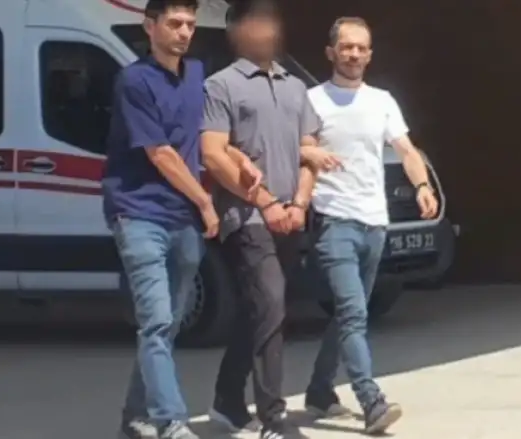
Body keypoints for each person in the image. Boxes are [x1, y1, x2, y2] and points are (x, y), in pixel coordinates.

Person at [200, 1, 341, 438]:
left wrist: (299, 203)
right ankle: (274, 417)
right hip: (247, 217)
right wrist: (264, 202)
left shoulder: (295, 87)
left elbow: (310, 152)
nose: (267, 31)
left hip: (290, 216)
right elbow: (213, 155)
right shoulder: (220, 86)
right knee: (271, 305)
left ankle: (226, 400)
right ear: (237, 31)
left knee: (260, 310)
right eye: (256, 23)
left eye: (271, 23)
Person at [302, 16, 439, 435]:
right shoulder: (312, 100)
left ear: (370, 55)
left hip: (375, 223)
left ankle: (319, 391)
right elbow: (298, 146)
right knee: (352, 312)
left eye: (361, 48)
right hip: (334, 221)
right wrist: (309, 154)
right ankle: (370, 400)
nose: (354, 54)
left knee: (351, 312)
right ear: (331, 52)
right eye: (347, 47)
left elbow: (406, 149)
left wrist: (422, 185)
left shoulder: (382, 101)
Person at [103, 1, 218, 438]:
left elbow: (206, 137)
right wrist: (205, 202)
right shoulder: (134, 80)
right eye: (175, 23)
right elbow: (161, 154)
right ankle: (171, 421)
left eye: (190, 24)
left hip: (181, 217)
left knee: (168, 324)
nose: (184, 32)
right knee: (155, 323)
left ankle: (135, 418)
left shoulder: (196, 74)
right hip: (139, 213)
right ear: (150, 27)